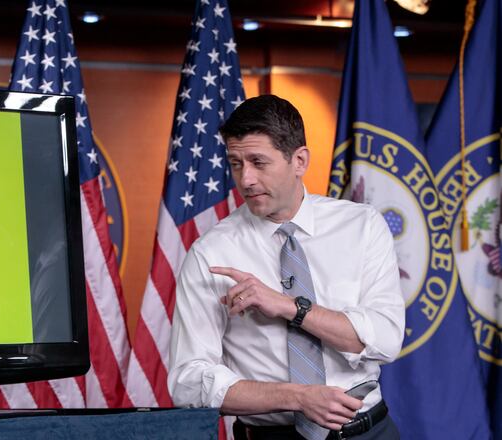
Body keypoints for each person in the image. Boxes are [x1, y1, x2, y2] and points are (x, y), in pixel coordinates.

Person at [167, 95, 405, 440]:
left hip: (369, 433)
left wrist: (289, 307)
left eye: (258, 162)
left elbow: (384, 339)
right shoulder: (211, 254)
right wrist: (296, 397)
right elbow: (187, 383)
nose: (245, 179)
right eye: (236, 163)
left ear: (299, 161)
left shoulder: (362, 226)